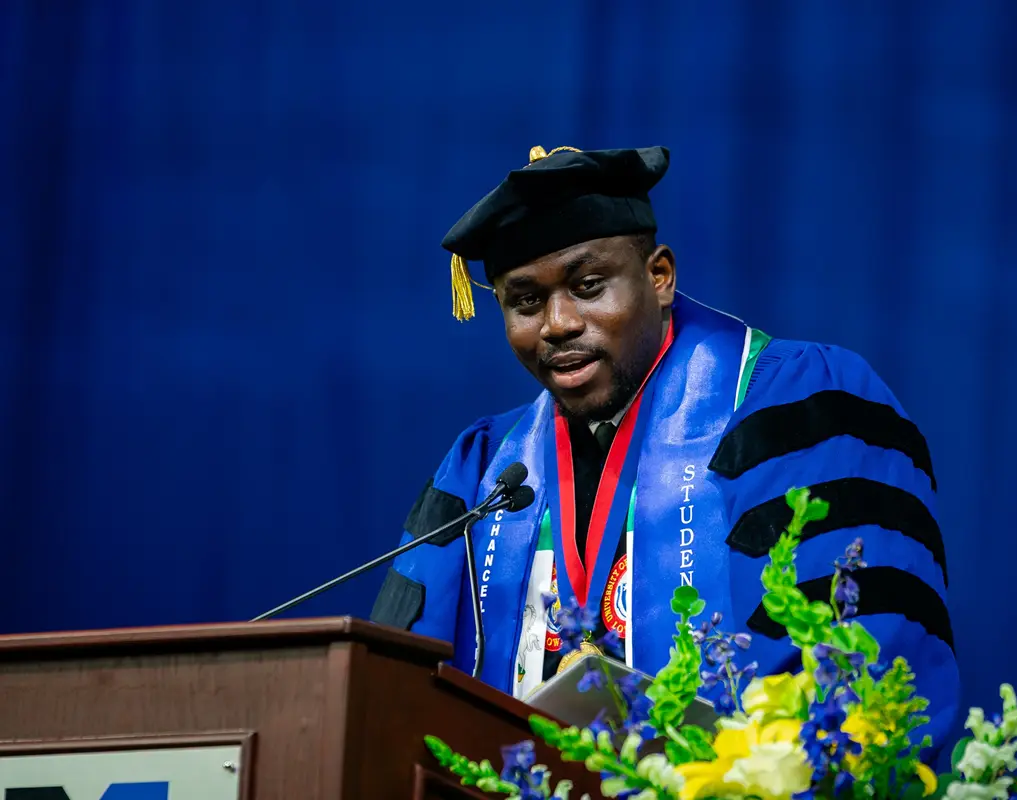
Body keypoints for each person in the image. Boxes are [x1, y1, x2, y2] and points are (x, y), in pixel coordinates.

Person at [371, 144, 959, 753]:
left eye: (589, 285)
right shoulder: (484, 473)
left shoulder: (795, 403)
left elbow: (858, 662)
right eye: (525, 302)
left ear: (660, 276)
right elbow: (393, 696)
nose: (557, 323)